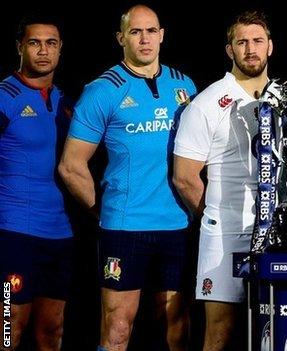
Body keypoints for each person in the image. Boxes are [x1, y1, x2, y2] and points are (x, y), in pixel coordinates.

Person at [57, 5, 196, 351]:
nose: (144, 39)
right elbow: (71, 165)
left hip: (176, 225)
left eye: (151, 31)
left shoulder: (185, 86)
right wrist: (101, 212)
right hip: (124, 228)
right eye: (135, 32)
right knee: (118, 327)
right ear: (121, 38)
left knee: (176, 327)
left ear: (162, 35)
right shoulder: (103, 90)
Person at [172, 10, 273, 351]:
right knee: (219, 330)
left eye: (257, 41)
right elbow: (185, 177)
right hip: (225, 231)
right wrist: (213, 215)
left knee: (275, 325)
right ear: (229, 49)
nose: (250, 49)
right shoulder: (207, 102)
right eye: (242, 42)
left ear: (270, 46)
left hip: (276, 231)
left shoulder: (286, 99)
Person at [0, 13, 72, 351]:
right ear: (20, 47)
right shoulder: (5, 96)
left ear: (59, 50)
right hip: (14, 232)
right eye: (34, 43)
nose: (43, 51)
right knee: (9, 328)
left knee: (51, 331)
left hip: (60, 234)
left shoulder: (63, 101)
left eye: (51, 43)